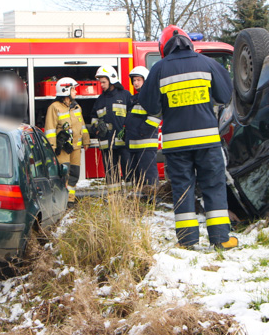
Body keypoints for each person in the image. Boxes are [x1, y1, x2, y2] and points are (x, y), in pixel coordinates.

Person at [139, 26, 238, 250]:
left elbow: (149, 106)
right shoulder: (208, 63)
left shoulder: (159, 69)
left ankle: (187, 241)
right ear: (188, 42)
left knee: (182, 189)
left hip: (176, 145)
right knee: (214, 186)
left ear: (163, 48)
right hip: (207, 141)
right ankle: (221, 239)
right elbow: (224, 95)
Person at [44, 77, 89, 203]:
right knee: (64, 175)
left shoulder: (76, 107)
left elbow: (82, 126)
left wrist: (86, 140)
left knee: (74, 174)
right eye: (73, 89)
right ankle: (60, 201)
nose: (76, 92)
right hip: (62, 149)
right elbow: (50, 129)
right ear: (65, 91)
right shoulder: (54, 107)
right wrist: (53, 147)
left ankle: (70, 200)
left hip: (75, 148)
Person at [91, 65, 131, 184]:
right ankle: (114, 197)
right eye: (100, 82)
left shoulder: (125, 95)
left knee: (129, 171)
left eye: (103, 82)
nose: (101, 85)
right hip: (106, 143)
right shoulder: (100, 99)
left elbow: (132, 115)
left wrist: (128, 131)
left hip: (123, 142)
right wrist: (97, 127)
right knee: (111, 174)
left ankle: (130, 197)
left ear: (112, 80)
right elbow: (93, 117)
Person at [125, 66, 160, 189]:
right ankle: (141, 198)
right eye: (134, 80)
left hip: (146, 144)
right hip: (134, 144)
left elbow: (156, 117)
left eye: (138, 80)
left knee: (149, 175)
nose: (135, 83)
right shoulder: (134, 99)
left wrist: (142, 131)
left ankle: (153, 198)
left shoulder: (151, 97)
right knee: (137, 176)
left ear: (146, 80)